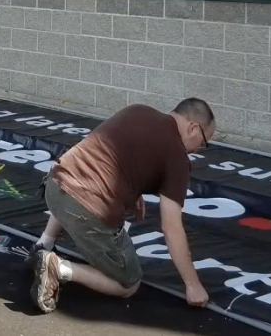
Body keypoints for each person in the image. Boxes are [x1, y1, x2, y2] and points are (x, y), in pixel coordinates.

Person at [28, 97, 216, 314]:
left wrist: (132, 189)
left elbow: (105, 155)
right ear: (193, 127)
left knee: (76, 182)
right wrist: (193, 285)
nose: (198, 150)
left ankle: (43, 245)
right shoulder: (177, 157)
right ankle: (58, 268)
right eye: (203, 143)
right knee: (128, 283)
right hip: (85, 208)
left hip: (54, 184)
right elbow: (171, 227)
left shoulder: (139, 110)